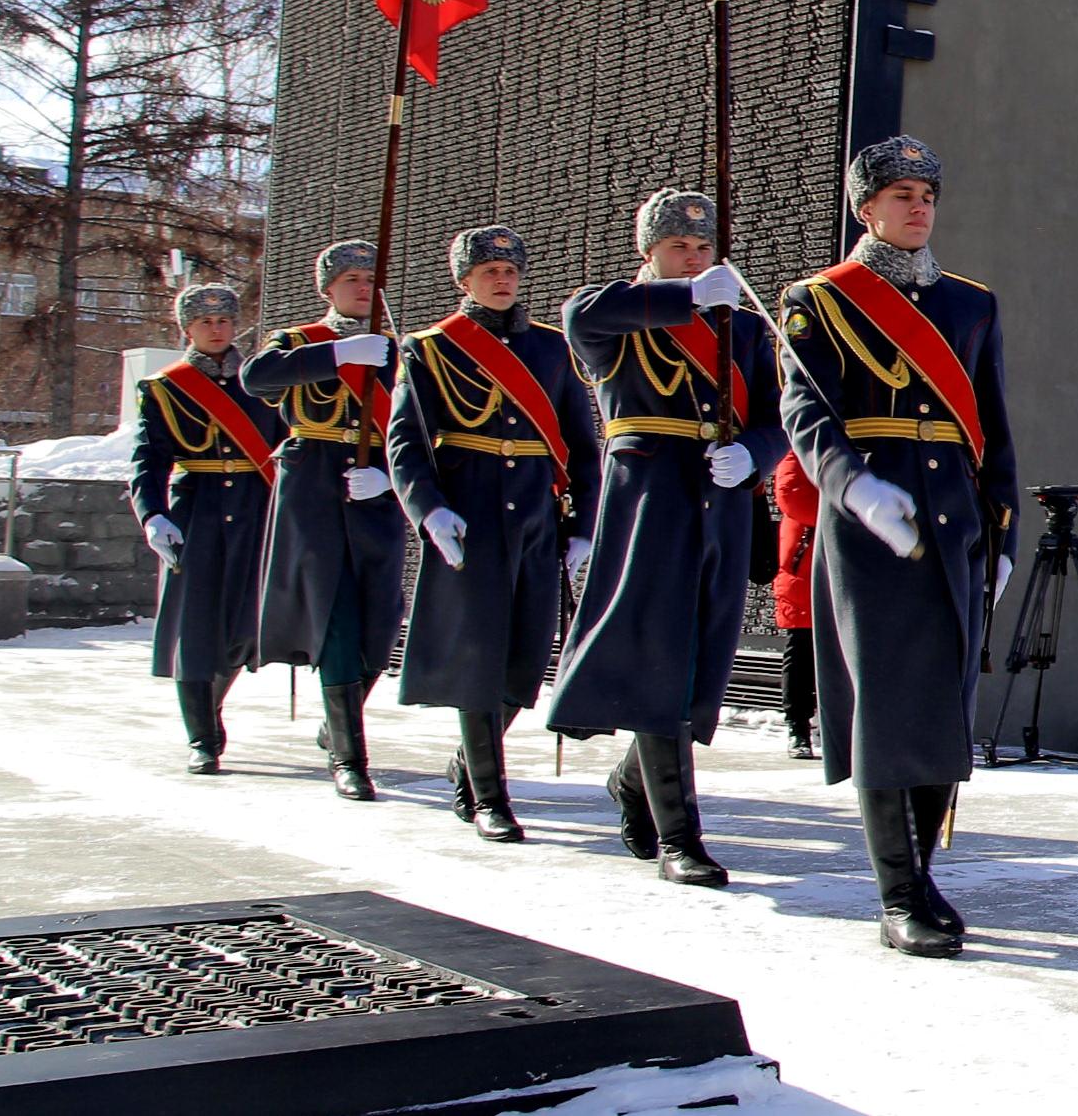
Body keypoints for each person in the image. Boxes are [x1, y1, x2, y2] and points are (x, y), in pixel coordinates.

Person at [780, 135, 1019, 958]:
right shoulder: (821, 300)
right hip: (873, 522)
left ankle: (921, 872)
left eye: (927, 193)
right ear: (865, 207)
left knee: (943, 704)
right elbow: (807, 416)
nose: (918, 207)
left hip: (953, 514)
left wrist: (1004, 522)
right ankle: (896, 892)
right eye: (901, 194)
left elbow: (991, 423)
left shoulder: (970, 303)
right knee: (888, 703)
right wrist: (850, 486)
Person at [546, 190, 785, 887]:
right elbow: (578, 316)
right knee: (660, 653)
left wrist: (758, 456)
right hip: (649, 497)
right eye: (679, 247)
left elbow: (774, 416)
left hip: (721, 498)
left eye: (704, 247)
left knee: (698, 662)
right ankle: (681, 835)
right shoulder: (620, 315)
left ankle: (633, 779)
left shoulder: (739, 330)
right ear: (649, 252)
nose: (695, 256)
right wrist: (683, 297)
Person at [389, 226, 597, 843]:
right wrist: (428, 510)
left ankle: (468, 761)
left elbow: (583, 448)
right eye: (488, 272)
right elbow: (406, 443)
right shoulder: (430, 350)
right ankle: (490, 794)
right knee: (478, 657)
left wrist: (584, 523)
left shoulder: (553, 349)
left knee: (524, 663)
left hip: (536, 514)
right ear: (465, 281)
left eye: (509, 271)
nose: (502, 280)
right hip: (471, 512)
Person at [244, 242, 407, 800]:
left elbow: (418, 422)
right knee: (334, 616)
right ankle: (350, 758)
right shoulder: (297, 343)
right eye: (352, 279)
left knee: (381, 620)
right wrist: (336, 356)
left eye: (370, 278)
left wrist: (391, 477)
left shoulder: (397, 349)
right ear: (328, 288)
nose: (363, 288)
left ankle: (340, 720)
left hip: (375, 489)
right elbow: (257, 378)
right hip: (313, 485)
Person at [130, 283, 284, 776]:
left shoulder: (264, 382)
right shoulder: (165, 387)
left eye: (223, 321)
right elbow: (148, 460)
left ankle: (213, 703)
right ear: (187, 329)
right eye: (205, 323)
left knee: (246, 626)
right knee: (194, 629)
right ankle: (201, 735)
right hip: (195, 510)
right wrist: (152, 514)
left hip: (256, 507)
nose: (216, 330)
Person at [770, 451, 821, 760]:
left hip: (831, 558)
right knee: (801, 650)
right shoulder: (800, 443)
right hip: (805, 561)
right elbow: (790, 492)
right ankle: (797, 726)